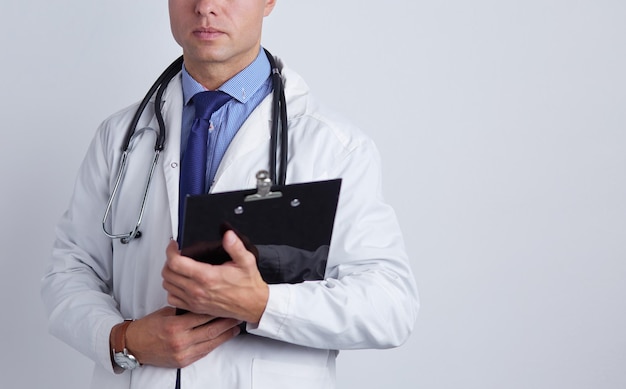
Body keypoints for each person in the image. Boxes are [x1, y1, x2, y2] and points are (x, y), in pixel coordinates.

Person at [41, 0, 420, 388]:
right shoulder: (120, 137)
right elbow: (69, 272)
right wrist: (123, 339)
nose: (205, 7)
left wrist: (263, 305)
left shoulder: (335, 147)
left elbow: (390, 307)